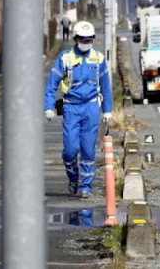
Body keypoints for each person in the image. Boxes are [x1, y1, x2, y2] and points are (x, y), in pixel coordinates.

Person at [44, 21, 113, 198]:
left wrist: (107, 110)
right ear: (76, 39)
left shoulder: (98, 59)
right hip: (71, 108)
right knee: (70, 150)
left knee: (88, 150)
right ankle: (73, 178)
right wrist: (48, 107)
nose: (86, 42)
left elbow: (105, 86)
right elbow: (52, 83)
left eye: (89, 40)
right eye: (82, 39)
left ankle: (85, 187)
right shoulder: (65, 58)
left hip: (91, 107)